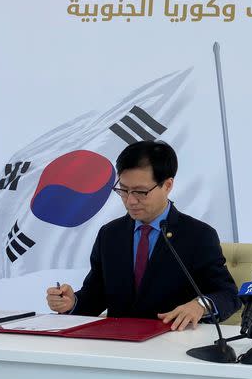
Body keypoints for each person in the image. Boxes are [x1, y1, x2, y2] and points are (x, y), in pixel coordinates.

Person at [46, 140, 240, 330]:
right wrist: (72, 303)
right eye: (123, 190)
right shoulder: (110, 234)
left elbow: (228, 295)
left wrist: (199, 305)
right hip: (117, 346)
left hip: (173, 345)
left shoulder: (198, 235)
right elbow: (96, 296)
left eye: (140, 192)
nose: (130, 200)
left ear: (167, 185)